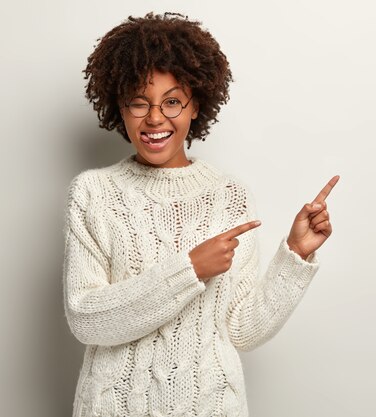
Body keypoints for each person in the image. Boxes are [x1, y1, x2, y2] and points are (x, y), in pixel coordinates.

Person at [62, 12, 339, 417]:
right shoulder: (93, 193)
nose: (155, 118)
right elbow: (86, 319)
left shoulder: (230, 196)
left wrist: (295, 256)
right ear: (118, 108)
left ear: (197, 106)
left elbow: (243, 330)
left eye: (172, 101)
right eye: (139, 102)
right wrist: (188, 270)